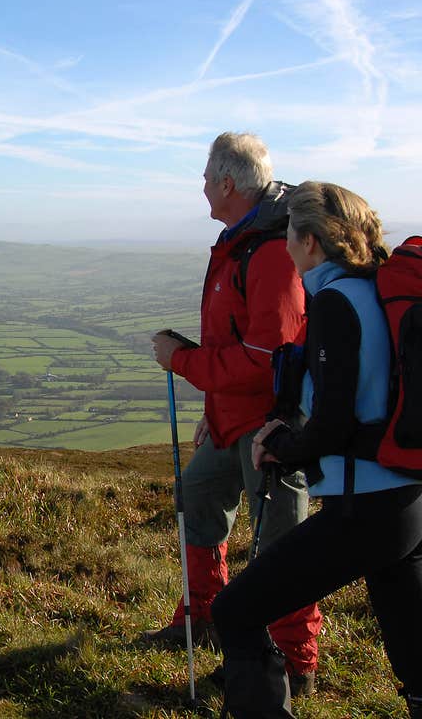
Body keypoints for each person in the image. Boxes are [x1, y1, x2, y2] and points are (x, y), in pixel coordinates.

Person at [212, 182, 422, 718]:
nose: (283, 244)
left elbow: (334, 425)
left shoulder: (336, 302)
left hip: (369, 507)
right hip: (421, 500)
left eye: (288, 233)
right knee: (418, 656)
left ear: (309, 241)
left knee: (237, 611)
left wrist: (280, 447)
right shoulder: (379, 291)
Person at [147, 132, 321, 691]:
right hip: (233, 420)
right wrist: (214, 403)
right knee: (197, 492)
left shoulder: (270, 251)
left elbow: (264, 360)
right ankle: (202, 618)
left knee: (280, 540)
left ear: (227, 183)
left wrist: (182, 362)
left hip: (273, 426)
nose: (200, 186)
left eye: (205, 177)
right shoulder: (239, 243)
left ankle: (294, 662)